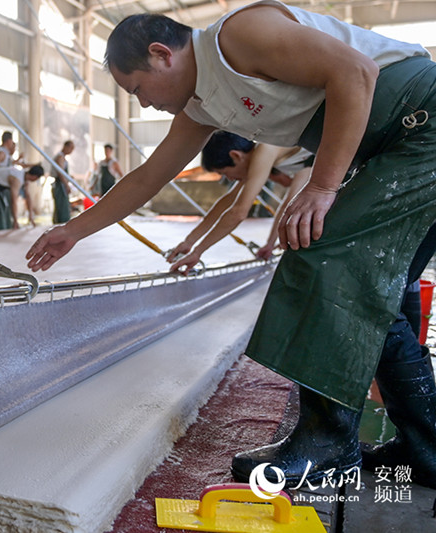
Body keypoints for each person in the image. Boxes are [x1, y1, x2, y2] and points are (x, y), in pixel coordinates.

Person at [26, 1, 436, 488]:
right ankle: (423, 449)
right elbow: (147, 178)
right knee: (372, 293)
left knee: (324, 263)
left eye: (136, 88)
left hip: (420, 123)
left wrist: (323, 187)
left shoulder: (238, 35)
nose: (141, 104)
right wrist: (73, 230)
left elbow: (356, 70)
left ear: (162, 55)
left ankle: (328, 442)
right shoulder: (201, 105)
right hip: (395, 143)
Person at [166, 131, 312, 266]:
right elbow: (227, 201)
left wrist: (198, 252)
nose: (229, 178)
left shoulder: (265, 150)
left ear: (236, 156)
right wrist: (189, 241)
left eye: (224, 172)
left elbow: (239, 212)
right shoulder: (258, 158)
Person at [0, 165, 45, 231]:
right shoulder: (17, 179)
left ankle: (5, 228)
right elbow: (14, 201)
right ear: (35, 176)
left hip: (1, 185)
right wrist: (15, 221)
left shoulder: (25, 178)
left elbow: (28, 197)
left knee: (5, 209)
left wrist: (30, 215)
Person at [52, 140, 75, 223]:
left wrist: (69, 177)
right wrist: (66, 185)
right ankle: (60, 225)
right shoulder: (60, 157)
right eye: (71, 148)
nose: (72, 150)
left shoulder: (62, 157)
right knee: (61, 208)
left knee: (64, 207)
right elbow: (60, 173)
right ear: (66, 146)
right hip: (60, 185)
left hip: (61, 184)